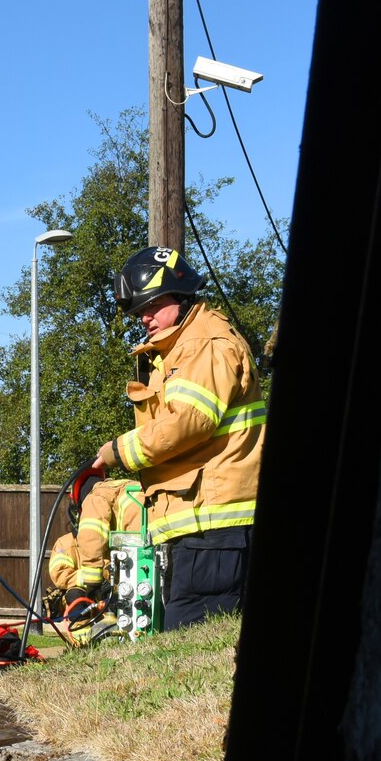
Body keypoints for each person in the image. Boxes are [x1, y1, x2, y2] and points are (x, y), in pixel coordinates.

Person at [92, 246, 265, 630]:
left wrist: (117, 450)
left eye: (152, 305)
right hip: (205, 528)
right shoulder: (183, 347)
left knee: (191, 633)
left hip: (216, 527)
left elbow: (187, 423)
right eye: (140, 311)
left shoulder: (202, 344)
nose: (145, 318)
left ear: (181, 295)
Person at [64, 470, 144, 612]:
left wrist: (93, 582)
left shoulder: (95, 495)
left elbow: (92, 536)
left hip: (142, 549)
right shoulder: (125, 488)